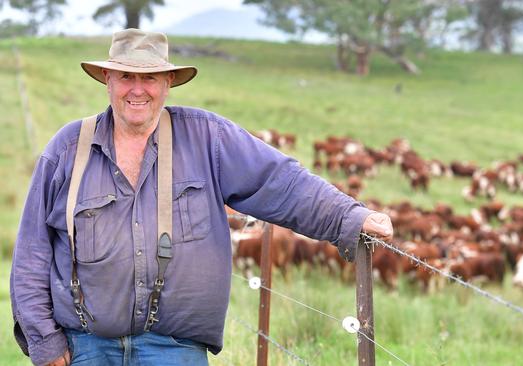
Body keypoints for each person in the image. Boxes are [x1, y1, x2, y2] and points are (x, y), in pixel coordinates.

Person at [10, 28, 393, 366]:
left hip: (175, 349)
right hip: (87, 348)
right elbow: (32, 251)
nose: (138, 89)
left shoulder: (208, 139)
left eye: (150, 77)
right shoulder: (67, 150)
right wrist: (43, 340)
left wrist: (348, 216)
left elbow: (281, 182)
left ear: (168, 82)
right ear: (107, 79)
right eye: (126, 75)